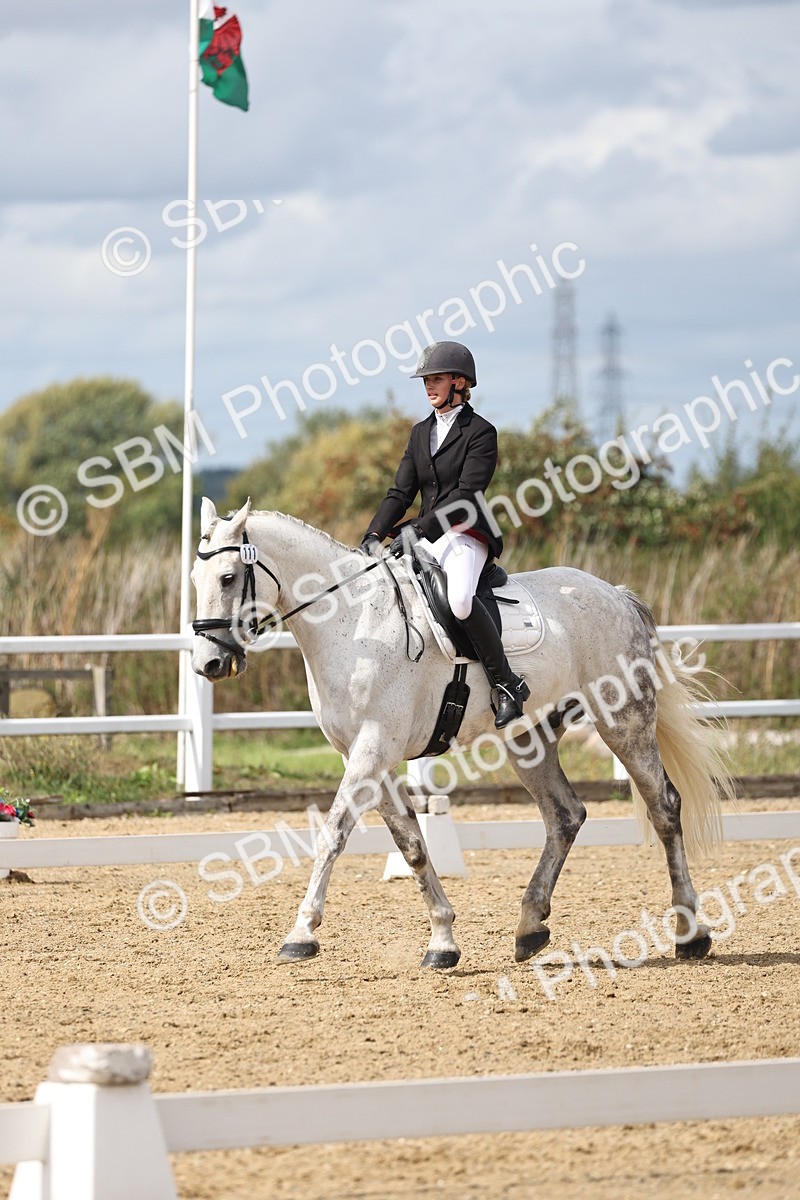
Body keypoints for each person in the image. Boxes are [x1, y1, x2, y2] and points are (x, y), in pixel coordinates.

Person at [360, 340, 530, 729]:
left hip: (465, 531)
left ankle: (507, 684)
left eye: (435, 379)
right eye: (426, 380)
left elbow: (466, 494)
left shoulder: (481, 432)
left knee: (460, 601)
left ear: (459, 381)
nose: (428, 386)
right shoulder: (420, 433)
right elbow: (401, 492)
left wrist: (417, 530)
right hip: (426, 533)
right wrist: (374, 533)